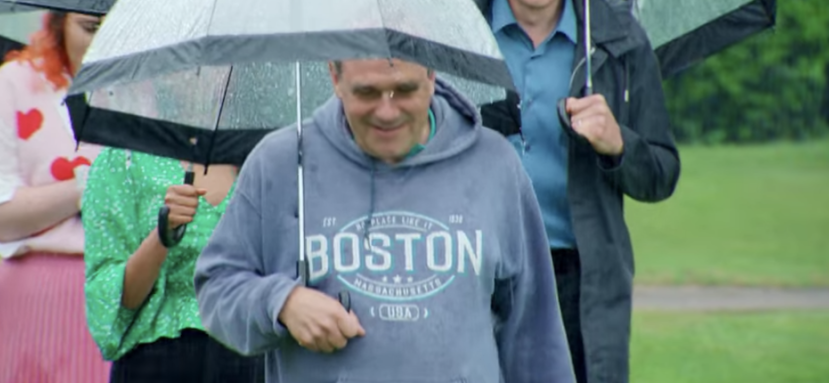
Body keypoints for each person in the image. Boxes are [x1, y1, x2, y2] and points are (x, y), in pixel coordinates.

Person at [194, 58, 576, 382]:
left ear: (431, 75)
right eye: (367, 92)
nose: (387, 111)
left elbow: (534, 327)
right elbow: (217, 286)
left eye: (404, 90)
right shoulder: (280, 163)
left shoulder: (494, 163)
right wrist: (281, 303)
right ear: (335, 77)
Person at [464, 0, 682, 383]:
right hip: (473, 271)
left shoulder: (620, 36)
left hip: (581, 284)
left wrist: (617, 144)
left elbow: (662, 172)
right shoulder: (455, 26)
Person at [0, 11, 109, 382]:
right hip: (35, 302)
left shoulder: (165, 91)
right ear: (57, 24)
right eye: (90, 28)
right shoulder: (12, 88)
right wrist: (85, 187)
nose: (106, 40)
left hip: (135, 298)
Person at [81, 148, 264, 383]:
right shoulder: (123, 161)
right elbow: (118, 299)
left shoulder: (270, 157)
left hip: (252, 352)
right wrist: (162, 234)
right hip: (158, 359)